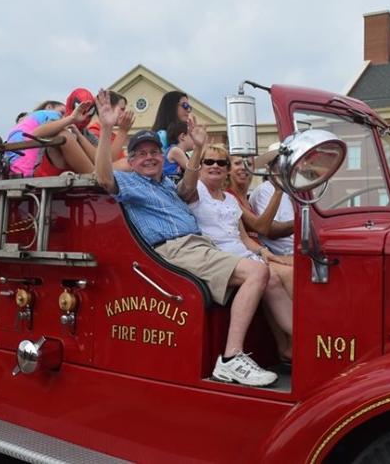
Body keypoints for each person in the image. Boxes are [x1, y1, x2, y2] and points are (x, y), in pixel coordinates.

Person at [94, 88, 281, 387]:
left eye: (153, 152)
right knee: (258, 270)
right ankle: (231, 358)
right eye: (140, 154)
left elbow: (187, 189)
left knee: (270, 276)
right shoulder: (129, 183)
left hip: (199, 246)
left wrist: (197, 149)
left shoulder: (167, 184)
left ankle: (286, 350)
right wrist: (106, 128)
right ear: (131, 160)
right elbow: (103, 178)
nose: (149, 158)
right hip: (174, 250)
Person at [188, 143, 294, 362]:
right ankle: (299, 342)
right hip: (215, 256)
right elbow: (185, 177)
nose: (215, 166)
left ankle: (299, 340)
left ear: (226, 169)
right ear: (200, 166)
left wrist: (265, 252)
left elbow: (244, 238)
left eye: (221, 163)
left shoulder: (230, 200)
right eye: (209, 162)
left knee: (274, 276)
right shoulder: (195, 190)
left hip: (242, 254)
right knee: (274, 275)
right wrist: (196, 148)